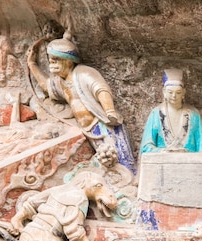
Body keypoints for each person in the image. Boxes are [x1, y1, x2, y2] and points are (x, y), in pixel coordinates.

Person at [27, 33, 137, 174]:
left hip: (103, 125)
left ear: (68, 61)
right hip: (88, 130)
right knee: (108, 164)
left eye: (56, 60)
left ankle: (129, 180)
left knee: (121, 160)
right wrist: (32, 64)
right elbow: (46, 86)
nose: (51, 64)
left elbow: (101, 89)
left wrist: (110, 111)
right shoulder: (61, 81)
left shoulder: (83, 73)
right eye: (50, 60)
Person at [140, 69, 202, 153]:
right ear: (164, 92)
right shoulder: (156, 114)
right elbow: (145, 147)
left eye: (178, 92)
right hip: (162, 163)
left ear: (184, 92)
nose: (174, 96)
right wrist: (162, 151)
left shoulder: (194, 114)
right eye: (170, 92)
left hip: (190, 163)